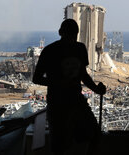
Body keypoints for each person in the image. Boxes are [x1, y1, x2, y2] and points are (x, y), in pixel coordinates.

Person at [33, 19, 106, 155]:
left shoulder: (80, 49)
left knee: (94, 133)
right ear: (61, 33)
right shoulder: (50, 51)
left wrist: (96, 89)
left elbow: (83, 74)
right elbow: (36, 78)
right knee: (59, 144)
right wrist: (58, 83)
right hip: (57, 103)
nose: (71, 38)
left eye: (74, 35)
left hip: (76, 100)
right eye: (69, 34)